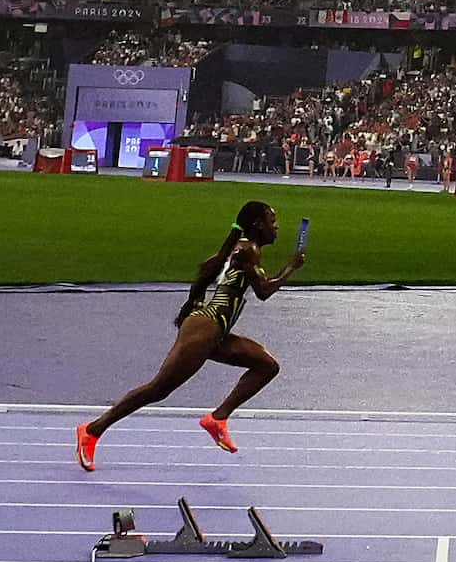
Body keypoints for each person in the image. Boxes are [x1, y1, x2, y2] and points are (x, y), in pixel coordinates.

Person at [77, 198, 304, 470]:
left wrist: (193, 306)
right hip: (206, 329)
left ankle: (217, 418)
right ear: (258, 225)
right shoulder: (248, 251)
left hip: (213, 329)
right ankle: (91, 431)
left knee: (267, 366)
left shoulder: (240, 248)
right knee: (158, 389)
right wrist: (291, 267)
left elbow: (205, 272)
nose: (277, 228)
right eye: (273, 222)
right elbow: (263, 291)